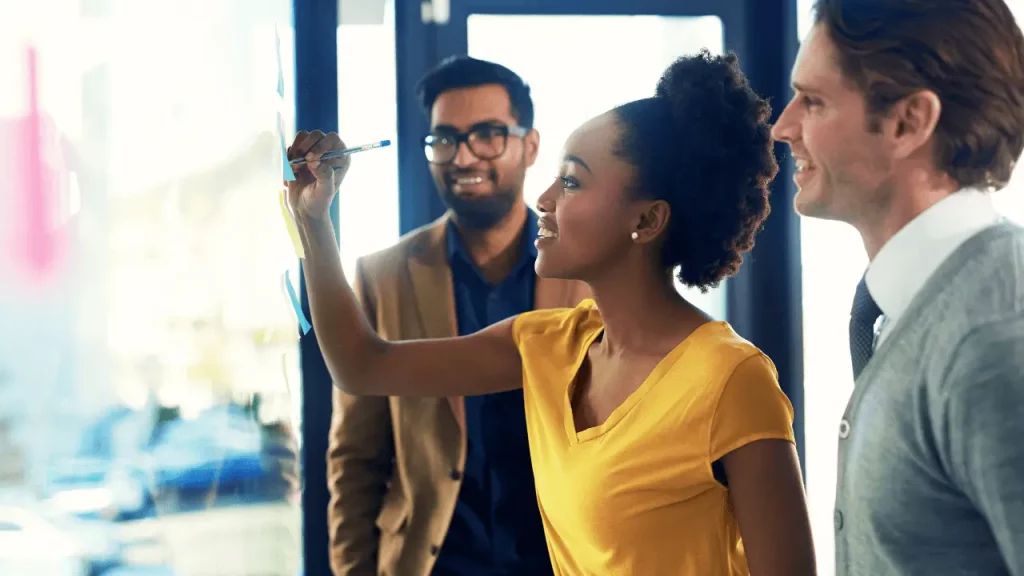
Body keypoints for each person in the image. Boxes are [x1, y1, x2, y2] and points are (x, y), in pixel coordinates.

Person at [293, 50, 817, 575]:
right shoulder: (548, 344)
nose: (543, 198)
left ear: (648, 219)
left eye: (571, 181)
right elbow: (361, 365)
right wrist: (314, 220)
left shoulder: (731, 379)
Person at [771, 0, 1024, 574]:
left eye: (813, 101)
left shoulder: (997, 335)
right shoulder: (913, 307)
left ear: (909, 122)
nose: (783, 127)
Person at [325, 56, 589, 576]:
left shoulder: (588, 270)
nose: (463, 156)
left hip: (561, 561)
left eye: (488, 134)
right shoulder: (384, 277)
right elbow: (355, 459)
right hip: (429, 561)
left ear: (530, 145)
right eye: (444, 139)